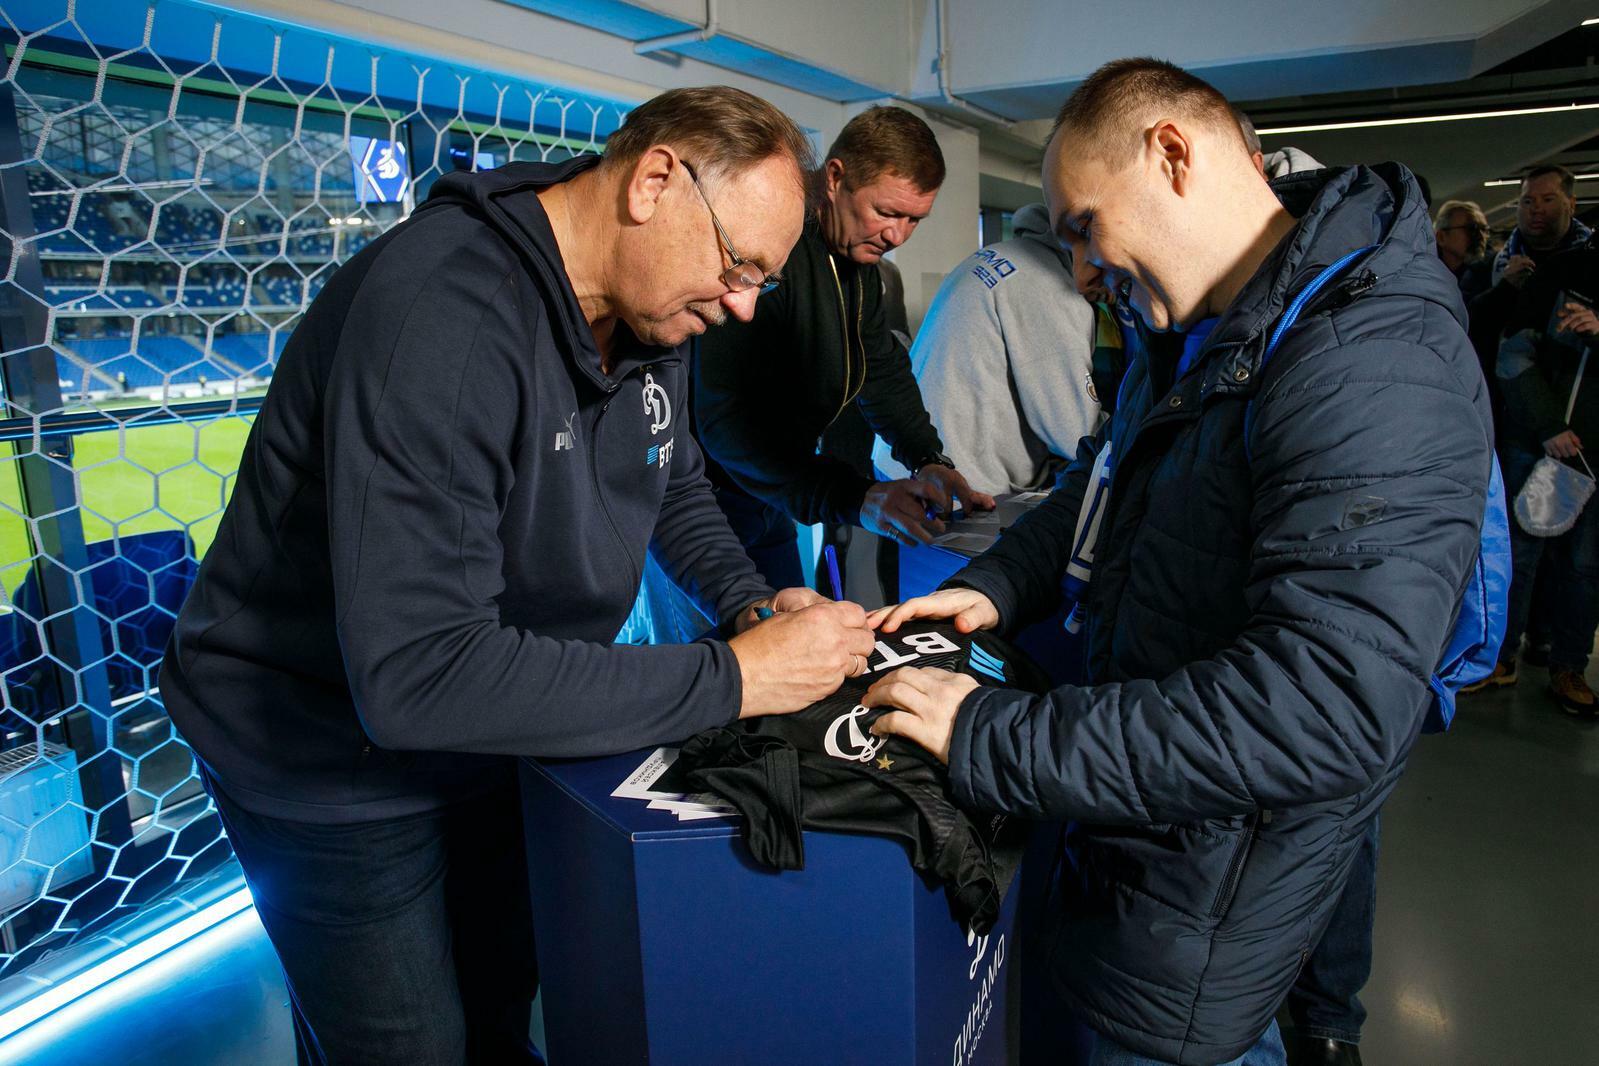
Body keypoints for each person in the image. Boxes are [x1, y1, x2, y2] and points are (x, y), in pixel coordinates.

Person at [160, 86, 880, 1064]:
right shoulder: (442, 313)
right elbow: (419, 677)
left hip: (496, 726)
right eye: (739, 265)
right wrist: (741, 675)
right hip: (322, 755)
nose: (744, 303)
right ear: (655, 182)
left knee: (504, 1000)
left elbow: (673, 486)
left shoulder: (652, 314)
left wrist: (750, 601)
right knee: (407, 1043)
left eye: (765, 281)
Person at [863, 58, 1493, 1066]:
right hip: (1136, 849)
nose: (1078, 272)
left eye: (1082, 228)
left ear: (1172, 154)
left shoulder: (1370, 358)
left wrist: (994, 734)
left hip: (1201, 917)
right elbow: (1103, 481)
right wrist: (996, 584)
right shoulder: (1204, 331)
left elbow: (1324, 703)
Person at [694, 105, 994, 592]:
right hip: (702, 501)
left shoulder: (860, 268)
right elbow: (727, 421)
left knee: (784, 638)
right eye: (887, 212)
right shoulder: (771, 251)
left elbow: (879, 368)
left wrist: (927, 457)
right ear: (835, 178)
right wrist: (852, 497)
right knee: (716, 658)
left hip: (772, 492)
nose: (897, 235)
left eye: (914, 219)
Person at [870, 202, 1104, 495]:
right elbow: (1075, 434)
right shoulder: (1050, 285)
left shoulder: (997, 254)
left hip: (900, 459)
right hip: (953, 484)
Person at [1480, 235, 1599, 714]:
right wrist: (1548, 424)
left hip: (1595, 455)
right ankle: (1499, 656)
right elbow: (1513, 352)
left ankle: (1568, 667)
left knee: (1584, 568)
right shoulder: (1565, 273)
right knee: (1516, 555)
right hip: (1537, 444)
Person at [1469, 167, 1592, 381]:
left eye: (1547, 199)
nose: (1536, 209)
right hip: (1503, 394)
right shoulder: (1489, 267)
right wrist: (1504, 289)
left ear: (1571, 204)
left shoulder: (1591, 264)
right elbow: (1466, 325)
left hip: (1575, 391)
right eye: (1527, 201)